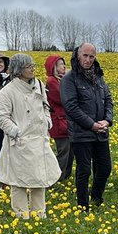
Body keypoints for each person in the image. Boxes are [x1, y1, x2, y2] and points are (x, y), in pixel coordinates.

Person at [0, 54, 59, 217]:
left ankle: (39, 214)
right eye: (28, 66)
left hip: (39, 139)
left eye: (32, 65)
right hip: (20, 142)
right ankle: (21, 215)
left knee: (40, 178)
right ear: (18, 70)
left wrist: (47, 121)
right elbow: (1, 117)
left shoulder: (38, 84)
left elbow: (45, 106)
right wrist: (16, 132)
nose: (32, 69)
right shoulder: (7, 91)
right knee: (18, 181)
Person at [60, 43, 114, 209]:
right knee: (84, 171)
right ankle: (83, 205)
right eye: (85, 56)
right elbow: (71, 107)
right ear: (78, 55)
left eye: (92, 57)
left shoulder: (98, 77)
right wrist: (92, 125)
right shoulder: (69, 79)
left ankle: (96, 198)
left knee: (105, 168)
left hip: (101, 131)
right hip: (81, 133)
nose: (88, 60)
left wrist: (107, 120)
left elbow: (109, 100)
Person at [45, 53, 72, 183]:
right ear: (54, 67)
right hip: (59, 121)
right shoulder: (51, 81)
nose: (64, 66)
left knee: (69, 151)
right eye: (61, 64)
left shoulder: (59, 80)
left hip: (64, 120)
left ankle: (65, 175)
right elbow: (63, 98)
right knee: (64, 151)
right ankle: (58, 177)